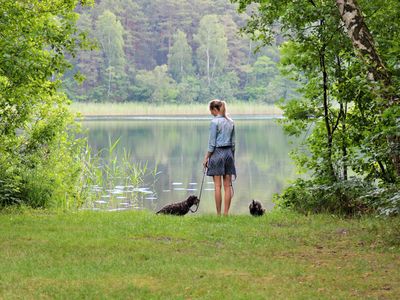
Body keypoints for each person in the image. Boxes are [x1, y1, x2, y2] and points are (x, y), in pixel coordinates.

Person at [203, 99, 236, 216]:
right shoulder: (231, 122)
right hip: (228, 154)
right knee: (228, 186)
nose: (210, 113)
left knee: (217, 186)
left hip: (217, 154)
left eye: (211, 110)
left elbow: (212, 144)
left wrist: (206, 158)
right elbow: (233, 144)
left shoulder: (214, 122)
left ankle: (218, 214)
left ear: (215, 109)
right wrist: (232, 158)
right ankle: (226, 214)